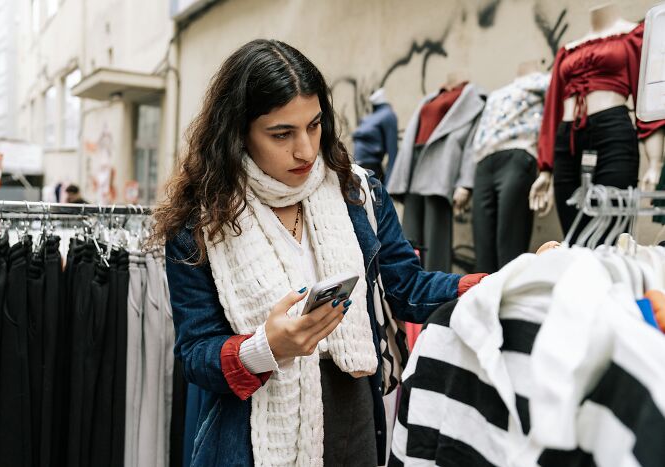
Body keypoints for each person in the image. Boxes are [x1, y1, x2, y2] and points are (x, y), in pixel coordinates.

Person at [153, 39, 555, 467]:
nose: (305, 150)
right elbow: (196, 355)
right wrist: (265, 347)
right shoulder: (200, 221)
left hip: (353, 418)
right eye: (281, 134)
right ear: (237, 133)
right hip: (248, 436)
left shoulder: (355, 192)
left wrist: (505, 281)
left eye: (314, 125)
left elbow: (407, 288)